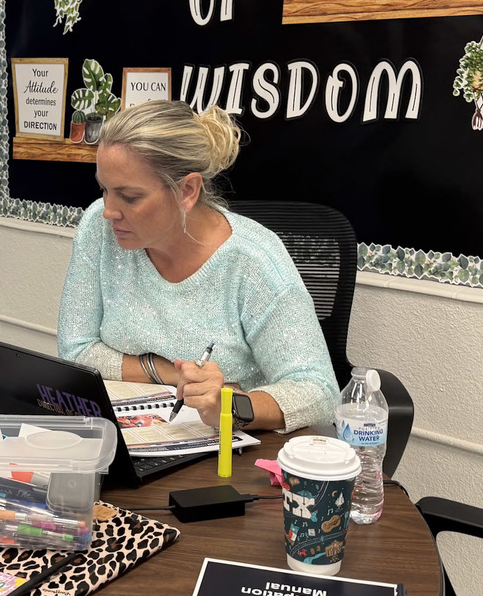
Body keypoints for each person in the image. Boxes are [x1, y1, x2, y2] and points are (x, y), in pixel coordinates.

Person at [57, 100, 337, 432]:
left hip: (232, 453)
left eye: (129, 197)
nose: (109, 211)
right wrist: (173, 373)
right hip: (128, 433)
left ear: (187, 190)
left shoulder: (254, 262)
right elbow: (76, 351)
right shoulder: (97, 228)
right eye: (104, 189)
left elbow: (318, 392)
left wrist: (229, 405)